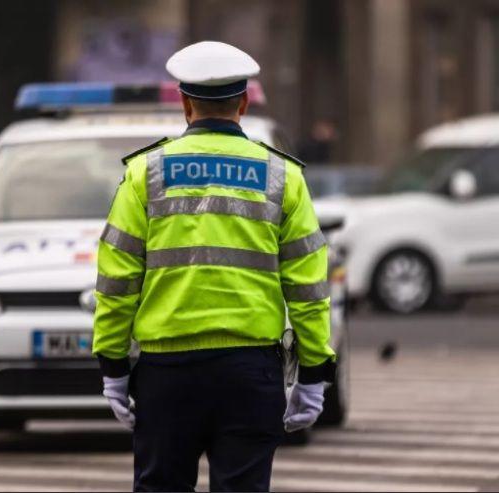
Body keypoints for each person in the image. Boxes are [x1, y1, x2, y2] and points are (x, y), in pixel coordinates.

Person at [93, 41, 335, 492]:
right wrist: (315, 372)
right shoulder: (283, 177)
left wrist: (112, 364)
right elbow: (308, 287)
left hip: (167, 375)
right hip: (250, 373)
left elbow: (117, 279)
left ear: (185, 104)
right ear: (243, 104)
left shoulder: (145, 173)